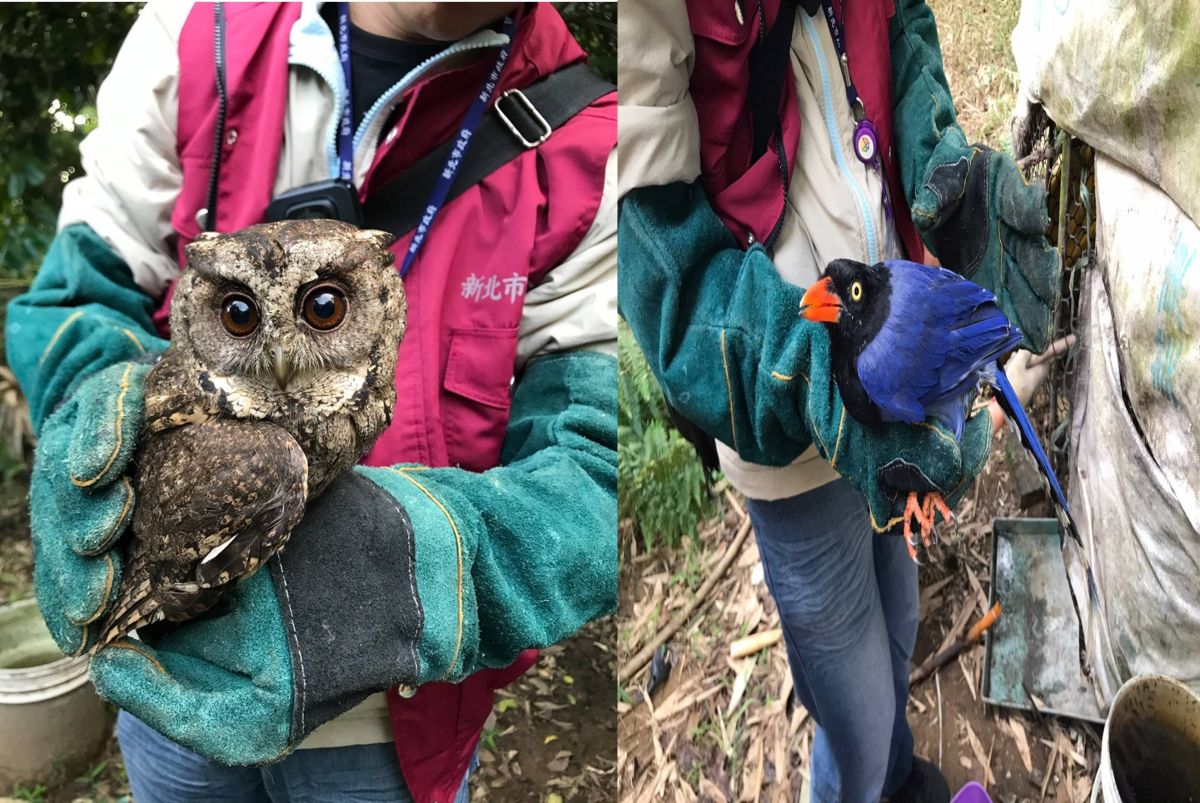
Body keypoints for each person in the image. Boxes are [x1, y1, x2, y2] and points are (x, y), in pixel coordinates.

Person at [8, 2, 616, 801]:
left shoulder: (588, 141)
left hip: (399, 715)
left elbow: (595, 469)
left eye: (326, 310)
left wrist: (425, 566)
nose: (283, 360)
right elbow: (76, 294)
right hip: (173, 680)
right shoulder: (198, 33)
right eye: (236, 314)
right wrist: (92, 415)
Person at [618, 0, 1058, 800]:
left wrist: (939, 164)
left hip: (892, 366)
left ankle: (902, 781)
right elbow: (659, 262)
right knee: (852, 704)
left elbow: (902, 26)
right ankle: (871, 779)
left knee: (896, 614)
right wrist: (801, 368)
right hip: (786, 434)